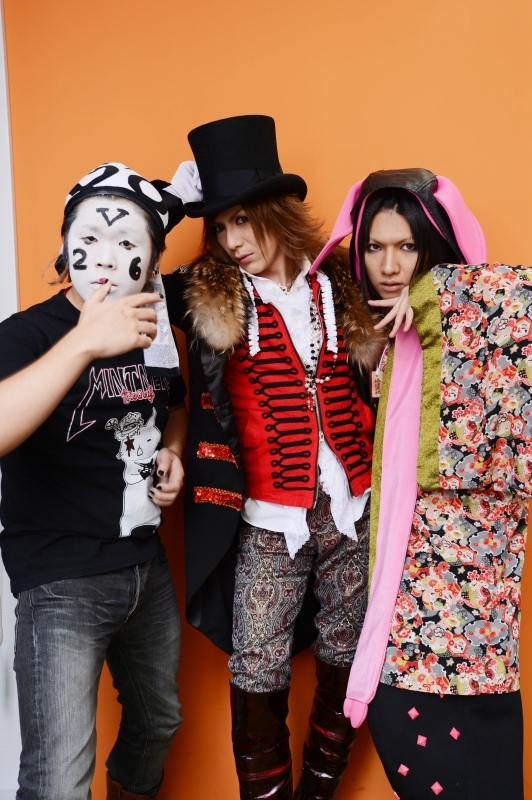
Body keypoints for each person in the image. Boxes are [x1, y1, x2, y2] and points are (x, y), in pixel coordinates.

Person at [163, 115, 386, 800]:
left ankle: (317, 792)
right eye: (219, 227)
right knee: (257, 663)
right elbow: (128, 270)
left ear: (276, 213)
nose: (232, 241)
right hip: (268, 515)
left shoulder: (341, 282)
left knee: (350, 652)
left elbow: (425, 283)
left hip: (352, 509)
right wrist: (170, 205)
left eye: (242, 222)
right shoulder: (208, 293)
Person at [311, 168, 528, 799]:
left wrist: (442, 300)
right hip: (408, 588)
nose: (389, 265)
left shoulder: (476, 318)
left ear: (433, 245)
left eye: (407, 246)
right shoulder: (382, 335)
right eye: (374, 246)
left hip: (469, 595)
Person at [0, 162, 188, 800]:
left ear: (153, 262)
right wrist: (84, 343)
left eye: (127, 242)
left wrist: (173, 450)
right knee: (58, 780)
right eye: (90, 237)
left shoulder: (153, 328)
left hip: (145, 568)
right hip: (61, 580)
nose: (106, 256)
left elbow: (174, 404)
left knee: (158, 723)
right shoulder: (26, 334)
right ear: (65, 246)